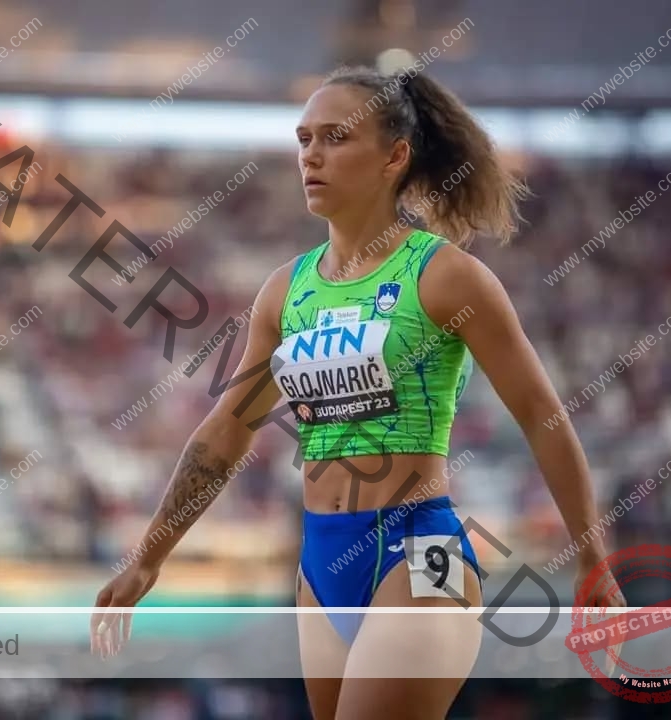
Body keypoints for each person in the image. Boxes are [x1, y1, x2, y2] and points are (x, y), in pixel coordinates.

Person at [90, 65, 627, 720]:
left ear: (394, 157)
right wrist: (148, 558)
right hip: (322, 560)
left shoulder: (446, 277)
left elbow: (542, 415)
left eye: (336, 137)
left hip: (419, 552)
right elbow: (227, 430)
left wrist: (592, 557)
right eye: (304, 138)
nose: (311, 155)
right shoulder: (285, 291)